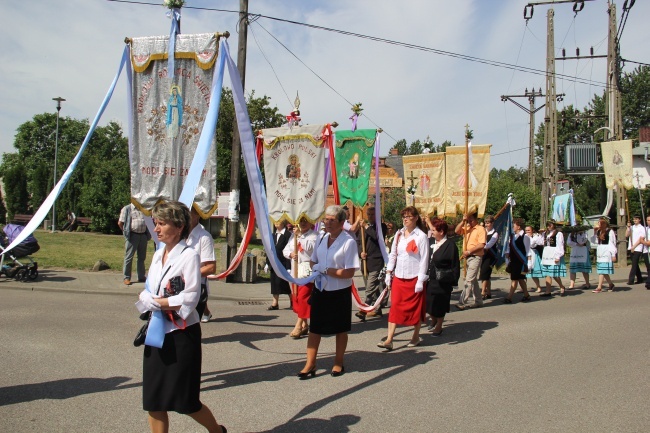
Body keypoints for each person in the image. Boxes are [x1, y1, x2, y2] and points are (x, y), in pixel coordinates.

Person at [137, 201, 225, 433]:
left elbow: (191, 298)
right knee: (154, 401)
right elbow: (149, 287)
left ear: (178, 227)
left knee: (186, 402)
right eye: (156, 223)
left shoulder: (189, 256)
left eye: (162, 223)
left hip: (182, 336)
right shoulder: (157, 255)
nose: (156, 229)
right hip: (157, 334)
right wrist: (147, 298)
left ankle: (217, 431)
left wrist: (160, 302)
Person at [297, 205, 359, 379]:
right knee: (315, 327)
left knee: (340, 328)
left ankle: (338, 362)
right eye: (326, 219)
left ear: (341, 222)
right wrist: (318, 268)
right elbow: (312, 262)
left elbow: (349, 272)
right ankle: (310, 363)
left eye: (332, 220)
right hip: (320, 288)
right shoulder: (322, 238)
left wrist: (327, 270)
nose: (328, 222)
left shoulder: (348, 242)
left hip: (339, 291)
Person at [378, 206, 429, 350]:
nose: (405, 219)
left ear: (416, 218)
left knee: (415, 308)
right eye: (403, 217)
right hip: (399, 277)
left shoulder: (421, 236)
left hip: (414, 277)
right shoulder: (399, 234)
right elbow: (393, 255)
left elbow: (424, 259)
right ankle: (389, 339)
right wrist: (388, 273)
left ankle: (415, 336)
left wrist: (420, 279)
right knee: (395, 307)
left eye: (409, 216)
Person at [282, 217, 317, 338]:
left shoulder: (314, 235)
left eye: (305, 221)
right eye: (301, 221)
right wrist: (290, 254)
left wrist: (300, 237)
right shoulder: (293, 236)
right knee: (296, 298)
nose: (303, 223)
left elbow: (310, 248)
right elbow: (285, 250)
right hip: (295, 271)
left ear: (310, 222)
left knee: (303, 297)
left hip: (307, 271)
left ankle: (298, 324)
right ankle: (305, 325)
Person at [426, 218, 460, 336]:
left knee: (440, 303)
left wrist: (454, 281)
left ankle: (439, 326)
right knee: (429, 302)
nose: (432, 232)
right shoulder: (431, 242)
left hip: (443, 279)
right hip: (431, 278)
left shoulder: (450, 245)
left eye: (434, 230)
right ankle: (433, 319)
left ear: (441, 232)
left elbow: (455, 264)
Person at [355, 205, 387, 321]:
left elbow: (377, 237)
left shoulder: (381, 226)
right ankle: (377, 309)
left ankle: (363, 310)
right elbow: (358, 242)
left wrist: (366, 226)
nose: (370, 216)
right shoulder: (362, 228)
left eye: (372, 214)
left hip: (376, 261)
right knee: (374, 289)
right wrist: (360, 253)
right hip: (365, 262)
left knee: (369, 288)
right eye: (368, 214)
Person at [186, 207, 216, 323]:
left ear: (197, 215)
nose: (186, 216)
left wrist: (188, 274)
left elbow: (211, 268)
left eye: (190, 213)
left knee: (190, 325)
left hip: (196, 287)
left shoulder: (204, 237)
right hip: (178, 287)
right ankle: (206, 312)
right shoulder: (178, 234)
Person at [454, 212, 486, 310]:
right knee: (473, 280)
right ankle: (479, 301)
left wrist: (469, 251)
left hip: (476, 257)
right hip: (468, 257)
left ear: (476, 219)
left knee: (469, 280)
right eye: (469, 220)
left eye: (471, 220)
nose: (470, 222)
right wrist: (463, 221)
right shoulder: (467, 228)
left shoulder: (481, 229)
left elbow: (481, 244)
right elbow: (456, 231)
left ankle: (462, 301)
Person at [118, 203, 150, 286]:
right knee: (129, 257)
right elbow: (120, 223)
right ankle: (127, 277)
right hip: (132, 235)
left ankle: (141, 276)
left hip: (143, 235)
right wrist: (126, 232)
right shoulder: (127, 208)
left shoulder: (144, 208)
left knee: (142, 257)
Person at [504, 218, 531, 303]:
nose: (512, 227)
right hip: (514, 261)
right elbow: (509, 249)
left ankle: (509, 297)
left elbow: (528, 251)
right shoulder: (512, 236)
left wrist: (529, 263)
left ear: (518, 226)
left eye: (514, 225)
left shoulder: (525, 237)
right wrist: (507, 258)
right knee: (520, 279)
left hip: (521, 261)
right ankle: (526, 295)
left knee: (514, 279)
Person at [267, 221, 292, 310]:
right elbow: (269, 249)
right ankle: (275, 303)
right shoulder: (273, 235)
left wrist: (289, 267)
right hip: (274, 263)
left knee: (284, 283)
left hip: (284, 262)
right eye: (275, 222)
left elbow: (290, 249)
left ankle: (292, 301)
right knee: (274, 283)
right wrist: (267, 263)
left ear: (283, 223)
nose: (276, 223)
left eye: (279, 221)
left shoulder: (288, 235)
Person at [540, 220, 566, 297]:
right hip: (546, 253)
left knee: (554, 274)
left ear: (554, 225)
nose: (548, 226)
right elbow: (541, 243)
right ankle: (548, 291)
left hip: (553, 253)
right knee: (547, 274)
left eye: (550, 225)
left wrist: (558, 256)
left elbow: (560, 245)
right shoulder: (546, 233)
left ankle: (561, 286)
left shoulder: (558, 233)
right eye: (548, 225)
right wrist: (541, 234)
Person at [591, 217, 617, 293]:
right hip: (600, 251)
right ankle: (611, 284)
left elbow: (612, 243)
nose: (598, 224)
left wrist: (613, 254)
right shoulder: (598, 231)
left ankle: (599, 287)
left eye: (599, 223)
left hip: (606, 251)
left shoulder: (610, 231)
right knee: (603, 270)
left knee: (601, 271)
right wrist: (595, 232)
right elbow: (594, 241)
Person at [479, 215, 498, 299]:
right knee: (487, 274)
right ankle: (489, 292)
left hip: (490, 256)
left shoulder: (495, 233)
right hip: (483, 255)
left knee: (484, 273)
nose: (486, 225)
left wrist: (479, 246)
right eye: (486, 223)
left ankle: (483, 292)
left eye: (488, 223)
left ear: (492, 223)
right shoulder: (483, 231)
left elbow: (489, 245)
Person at [627, 215, 649, 285]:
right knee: (635, 264)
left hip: (638, 248)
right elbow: (626, 235)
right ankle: (639, 278)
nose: (635, 220)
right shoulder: (632, 227)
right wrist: (628, 228)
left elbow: (640, 239)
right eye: (634, 219)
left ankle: (631, 280)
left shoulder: (642, 228)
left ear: (639, 220)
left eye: (636, 219)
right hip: (631, 247)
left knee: (634, 264)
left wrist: (634, 246)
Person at [525, 226, 544, 292]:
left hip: (533, 254)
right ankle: (523, 287)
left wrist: (540, 234)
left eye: (529, 230)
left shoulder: (536, 236)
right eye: (526, 230)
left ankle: (538, 287)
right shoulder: (524, 236)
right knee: (524, 272)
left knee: (534, 273)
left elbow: (534, 244)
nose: (527, 232)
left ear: (532, 230)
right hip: (525, 254)